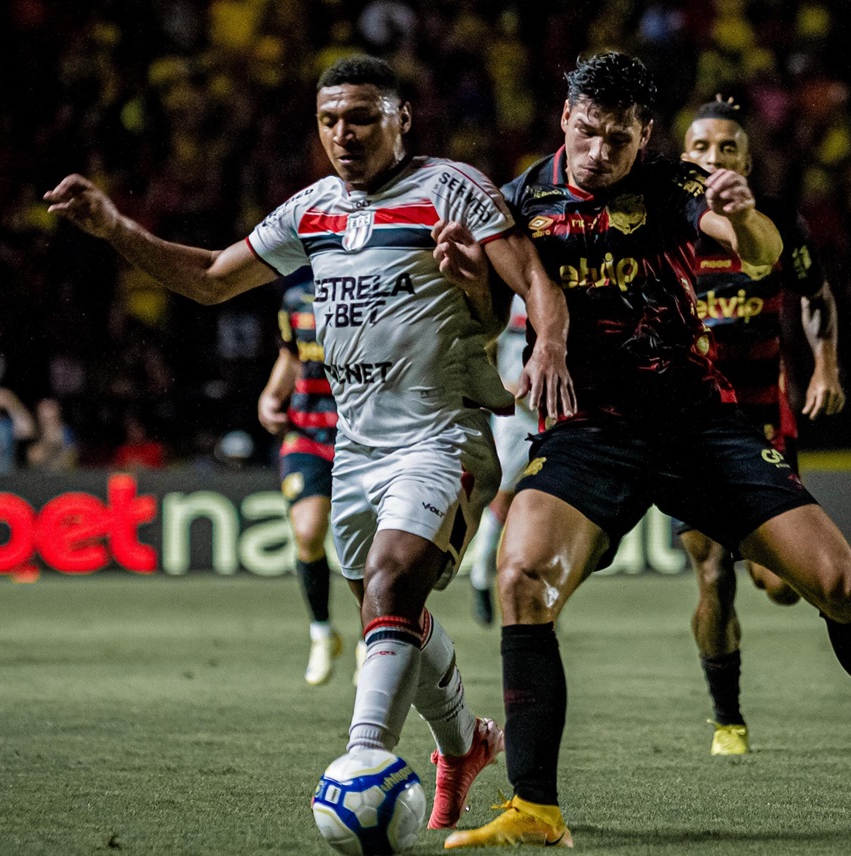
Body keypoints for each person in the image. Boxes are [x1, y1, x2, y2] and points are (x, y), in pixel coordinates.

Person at [445, 52, 851, 849]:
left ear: (645, 135)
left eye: (618, 140)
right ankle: (536, 807)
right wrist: (464, 280)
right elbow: (488, 319)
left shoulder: (674, 186)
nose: (599, 153)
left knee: (838, 582)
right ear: (564, 118)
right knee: (521, 577)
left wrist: (746, 211)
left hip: (698, 423)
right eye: (587, 133)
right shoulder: (519, 203)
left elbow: (758, 251)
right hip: (590, 433)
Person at [45, 54, 575, 832]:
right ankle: (463, 746)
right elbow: (211, 279)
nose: (343, 134)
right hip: (356, 451)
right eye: (329, 120)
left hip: (442, 433)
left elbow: (530, 279)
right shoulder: (312, 210)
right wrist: (117, 228)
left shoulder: (450, 188)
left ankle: (362, 763)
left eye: (361, 117)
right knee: (390, 612)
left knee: (394, 584)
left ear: (403, 119)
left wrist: (546, 343)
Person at [677, 95, 846, 756]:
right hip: (690, 427)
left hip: (762, 423)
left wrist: (826, 366)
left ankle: (765, 560)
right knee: (713, 572)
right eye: (701, 148)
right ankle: (728, 719)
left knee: (781, 588)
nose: (713, 159)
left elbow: (818, 294)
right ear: (683, 157)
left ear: (747, 161)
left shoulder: (775, 225)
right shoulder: (666, 227)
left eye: (727, 148)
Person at [257, 266, 347, 685]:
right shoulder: (296, 300)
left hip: (361, 436)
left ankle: (375, 640)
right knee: (308, 532)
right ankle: (322, 634)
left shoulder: (375, 287)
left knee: (365, 545)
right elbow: (291, 355)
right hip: (307, 432)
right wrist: (270, 396)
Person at [467, 292, 539, 626]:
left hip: (553, 409)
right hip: (515, 415)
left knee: (545, 498)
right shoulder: (508, 298)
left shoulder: (561, 287)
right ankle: (481, 572)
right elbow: (482, 344)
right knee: (504, 496)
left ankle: (539, 588)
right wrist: (497, 386)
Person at [26, 397, 80, 471]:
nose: (48, 412)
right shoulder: (33, 431)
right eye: (44, 408)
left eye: (50, 407)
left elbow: (70, 458)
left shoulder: (66, 431)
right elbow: (34, 457)